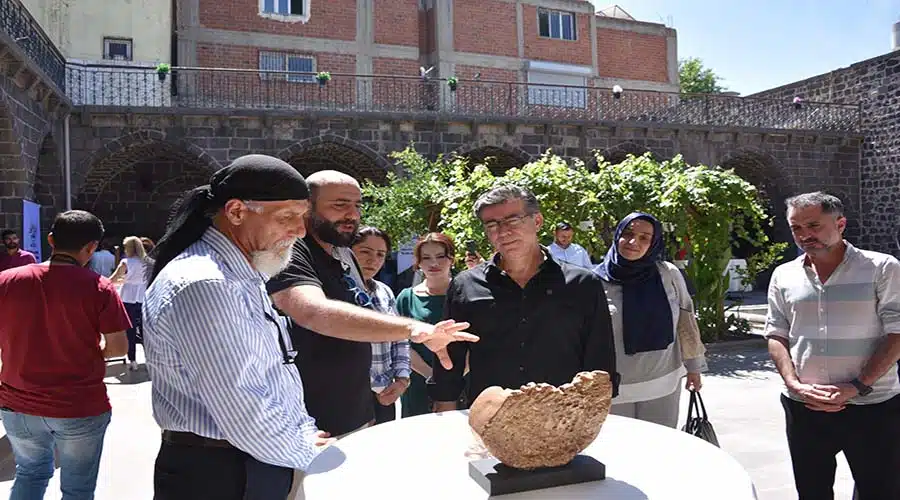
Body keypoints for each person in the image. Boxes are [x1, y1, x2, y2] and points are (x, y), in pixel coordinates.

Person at [143, 155, 333, 500]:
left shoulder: (243, 274)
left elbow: (271, 373)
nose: (300, 230)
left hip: (247, 463)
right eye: (287, 217)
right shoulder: (207, 283)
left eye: (302, 216)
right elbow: (243, 408)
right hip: (221, 473)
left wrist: (302, 431)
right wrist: (312, 454)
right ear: (236, 212)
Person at [267, 170, 477, 439]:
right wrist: (413, 329)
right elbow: (313, 312)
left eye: (357, 206)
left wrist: (397, 380)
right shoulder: (290, 251)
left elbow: (362, 314)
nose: (352, 215)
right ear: (306, 207)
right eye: (340, 205)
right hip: (311, 421)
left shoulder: (342, 254)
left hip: (358, 411)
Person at [431, 185, 619, 410]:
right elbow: (450, 359)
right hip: (492, 417)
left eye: (512, 220)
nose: (503, 232)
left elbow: (600, 358)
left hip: (562, 417)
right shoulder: (466, 286)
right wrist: (446, 410)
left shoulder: (582, 284)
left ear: (537, 221)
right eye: (492, 225)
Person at [765, 192, 900, 500]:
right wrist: (794, 384)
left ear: (840, 224)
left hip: (873, 407)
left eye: (814, 225)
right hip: (805, 406)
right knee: (812, 492)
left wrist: (857, 386)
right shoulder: (784, 275)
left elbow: (897, 332)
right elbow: (776, 334)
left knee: (880, 491)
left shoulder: (882, 268)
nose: (804, 235)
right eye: (796, 228)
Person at [0, 210, 130, 499]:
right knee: (77, 489)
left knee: (29, 474)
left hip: (18, 403)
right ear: (92, 247)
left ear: (50, 240)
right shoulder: (100, 287)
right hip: (78, 405)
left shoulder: (6, 281)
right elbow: (119, 348)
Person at [594, 212, 707, 428]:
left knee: (659, 445)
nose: (633, 242)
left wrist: (694, 367)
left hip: (663, 383)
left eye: (644, 238)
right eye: (628, 234)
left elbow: (686, 321)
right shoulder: (595, 280)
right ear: (617, 235)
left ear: (653, 243)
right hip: (615, 388)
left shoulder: (668, 274)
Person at [350, 226, 411, 424]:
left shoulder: (384, 291)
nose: (373, 260)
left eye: (380, 254)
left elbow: (399, 337)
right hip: (347, 394)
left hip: (384, 393)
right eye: (365, 252)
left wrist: (402, 379)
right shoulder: (335, 291)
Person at [396, 232, 457, 417]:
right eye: (426, 258)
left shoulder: (467, 293)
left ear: (451, 259)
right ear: (418, 262)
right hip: (418, 386)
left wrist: (451, 380)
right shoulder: (406, 298)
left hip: (462, 383)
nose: (434, 263)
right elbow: (400, 343)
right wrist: (432, 376)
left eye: (440, 256)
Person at [110, 236, 151, 370]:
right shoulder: (147, 262)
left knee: (130, 330)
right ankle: (149, 358)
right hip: (143, 296)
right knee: (145, 329)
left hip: (128, 297)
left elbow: (113, 279)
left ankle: (132, 359)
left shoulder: (126, 262)